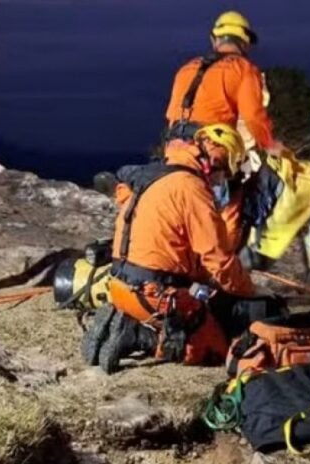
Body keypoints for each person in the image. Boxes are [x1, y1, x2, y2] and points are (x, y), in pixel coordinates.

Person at [83, 124, 285, 372]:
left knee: (202, 304)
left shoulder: (158, 176)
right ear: (213, 159)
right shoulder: (192, 188)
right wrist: (249, 289)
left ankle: (128, 319)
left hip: (120, 285)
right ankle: (138, 336)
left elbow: (182, 252)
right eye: (222, 171)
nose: (219, 181)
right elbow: (219, 261)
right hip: (155, 294)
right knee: (216, 348)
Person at [164, 12, 283, 157]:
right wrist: (270, 145)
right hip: (211, 148)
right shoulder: (244, 68)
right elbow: (252, 116)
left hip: (173, 147)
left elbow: (172, 116)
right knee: (266, 179)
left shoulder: (186, 69)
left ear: (213, 40)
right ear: (245, 43)